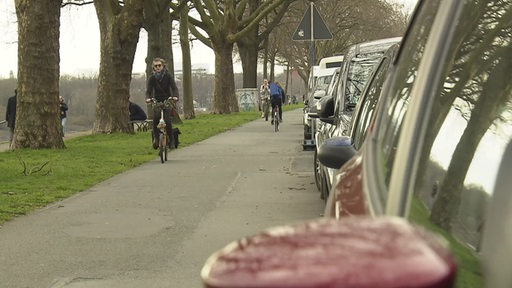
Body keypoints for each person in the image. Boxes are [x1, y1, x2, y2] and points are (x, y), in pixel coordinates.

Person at [145, 57, 179, 149]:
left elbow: (174, 87)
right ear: (153, 67)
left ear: (163, 66)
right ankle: (156, 139)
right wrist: (148, 98)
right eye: (156, 66)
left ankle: (171, 140)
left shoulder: (168, 76)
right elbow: (148, 91)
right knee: (156, 120)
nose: (158, 67)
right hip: (156, 100)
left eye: (159, 65)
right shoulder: (152, 78)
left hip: (167, 100)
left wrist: (175, 97)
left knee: (167, 120)